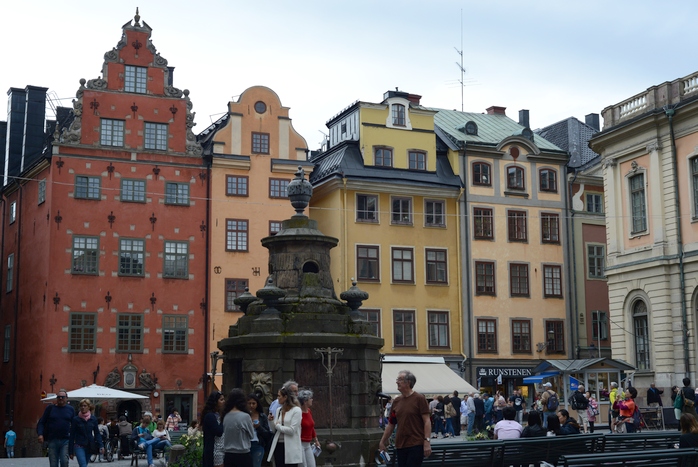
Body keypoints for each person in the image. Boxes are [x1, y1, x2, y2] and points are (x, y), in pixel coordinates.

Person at [378, 370, 432, 467]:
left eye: (399, 379)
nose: (396, 382)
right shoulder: (397, 401)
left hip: (416, 444)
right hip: (400, 444)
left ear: (408, 382)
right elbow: (391, 424)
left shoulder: (419, 398)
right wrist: (382, 441)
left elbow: (427, 421)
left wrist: (427, 441)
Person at [37, 389, 75, 467]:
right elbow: (41, 422)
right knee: (53, 464)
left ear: (66, 398)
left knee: (64, 462)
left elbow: (74, 424)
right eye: (59, 397)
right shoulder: (50, 408)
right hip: (52, 440)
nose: (60, 398)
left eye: (62, 397)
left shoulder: (70, 409)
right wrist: (40, 434)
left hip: (65, 440)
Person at [268, 386, 303, 467]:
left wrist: (277, 425)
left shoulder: (296, 410)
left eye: (279, 396)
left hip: (291, 447)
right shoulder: (278, 410)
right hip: (278, 445)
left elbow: (291, 430)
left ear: (285, 397)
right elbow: (274, 430)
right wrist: (271, 421)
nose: (277, 398)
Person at [222, 389, 254, 467]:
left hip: (228, 455)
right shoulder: (245, 417)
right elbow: (252, 435)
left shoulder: (225, 416)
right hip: (243, 454)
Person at [69, 399, 104, 467]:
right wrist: (71, 451)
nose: (83, 407)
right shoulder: (76, 419)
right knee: (83, 465)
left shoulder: (93, 419)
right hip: (79, 445)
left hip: (90, 445)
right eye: (81, 406)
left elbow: (97, 433)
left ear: (88, 407)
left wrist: (101, 445)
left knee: (85, 464)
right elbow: (72, 435)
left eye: (85, 406)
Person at [202, 390, 225, 467]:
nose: (223, 402)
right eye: (221, 400)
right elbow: (219, 432)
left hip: (220, 448)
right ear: (215, 402)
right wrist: (223, 420)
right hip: (214, 450)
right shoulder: (210, 416)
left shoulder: (217, 414)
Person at [298, 389, 321, 467]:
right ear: (305, 401)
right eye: (310, 398)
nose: (312, 400)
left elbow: (311, 427)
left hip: (308, 444)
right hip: (300, 443)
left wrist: (316, 440)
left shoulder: (309, 411)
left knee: (312, 464)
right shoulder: (298, 413)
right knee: (303, 465)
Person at [248, 393, 271, 467]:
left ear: (257, 404)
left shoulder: (262, 416)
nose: (251, 405)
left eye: (253, 403)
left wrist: (259, 427)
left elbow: (267, 433)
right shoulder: (244, 415)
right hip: (246, 445)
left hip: (258, 444)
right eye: (249, 403)